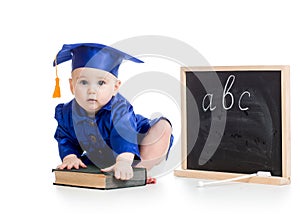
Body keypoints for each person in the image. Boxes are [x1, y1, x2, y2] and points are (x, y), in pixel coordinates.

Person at [53, 43, 173, 182]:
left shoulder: (120, 110)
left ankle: (141, 170)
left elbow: (125, 135)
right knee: (92, 161)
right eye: (84, 82)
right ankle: (119, 168)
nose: (92, 90)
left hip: (137, 145)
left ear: (115, 87)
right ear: (72, 86)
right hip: (103, 156)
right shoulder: (67, 113)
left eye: (101, 83)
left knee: (163, 128)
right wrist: (70, 157)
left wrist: (124, 160)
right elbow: (66, 139)